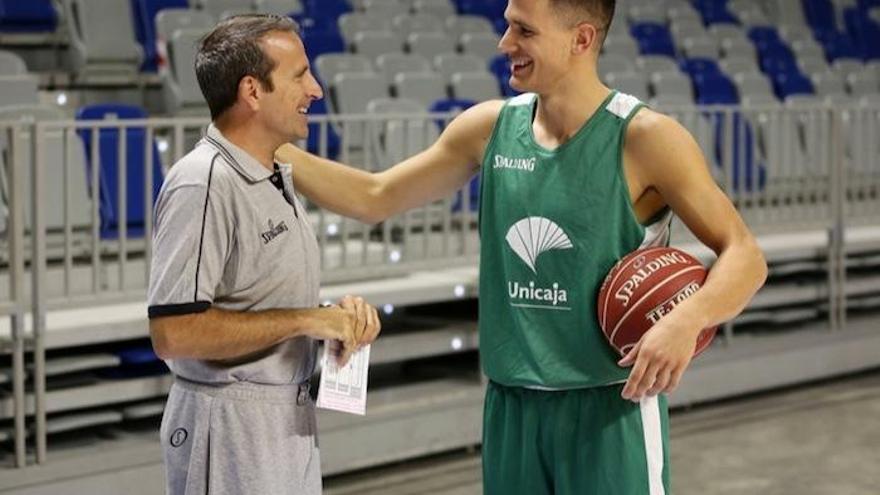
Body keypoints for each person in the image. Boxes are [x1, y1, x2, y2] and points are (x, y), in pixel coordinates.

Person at [277, 0, 767, 493]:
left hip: (608, 408)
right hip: (511, 407)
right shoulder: (489, 127)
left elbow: (744, 254)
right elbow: (374, 196)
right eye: (508, 25)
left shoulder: (646, 137)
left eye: (523, 30)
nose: (504, 43)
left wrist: (689, 318)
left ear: (581, 39)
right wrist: (267, 144)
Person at [147, 15, 380, 495]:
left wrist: (337, 321)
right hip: (229, 427)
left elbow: (260, 302)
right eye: (299, 76)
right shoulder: (203, 180)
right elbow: (174, 332)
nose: (315, 90)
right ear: (252, 91)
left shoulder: (272, 173)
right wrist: (308, 320)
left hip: (283, 419)